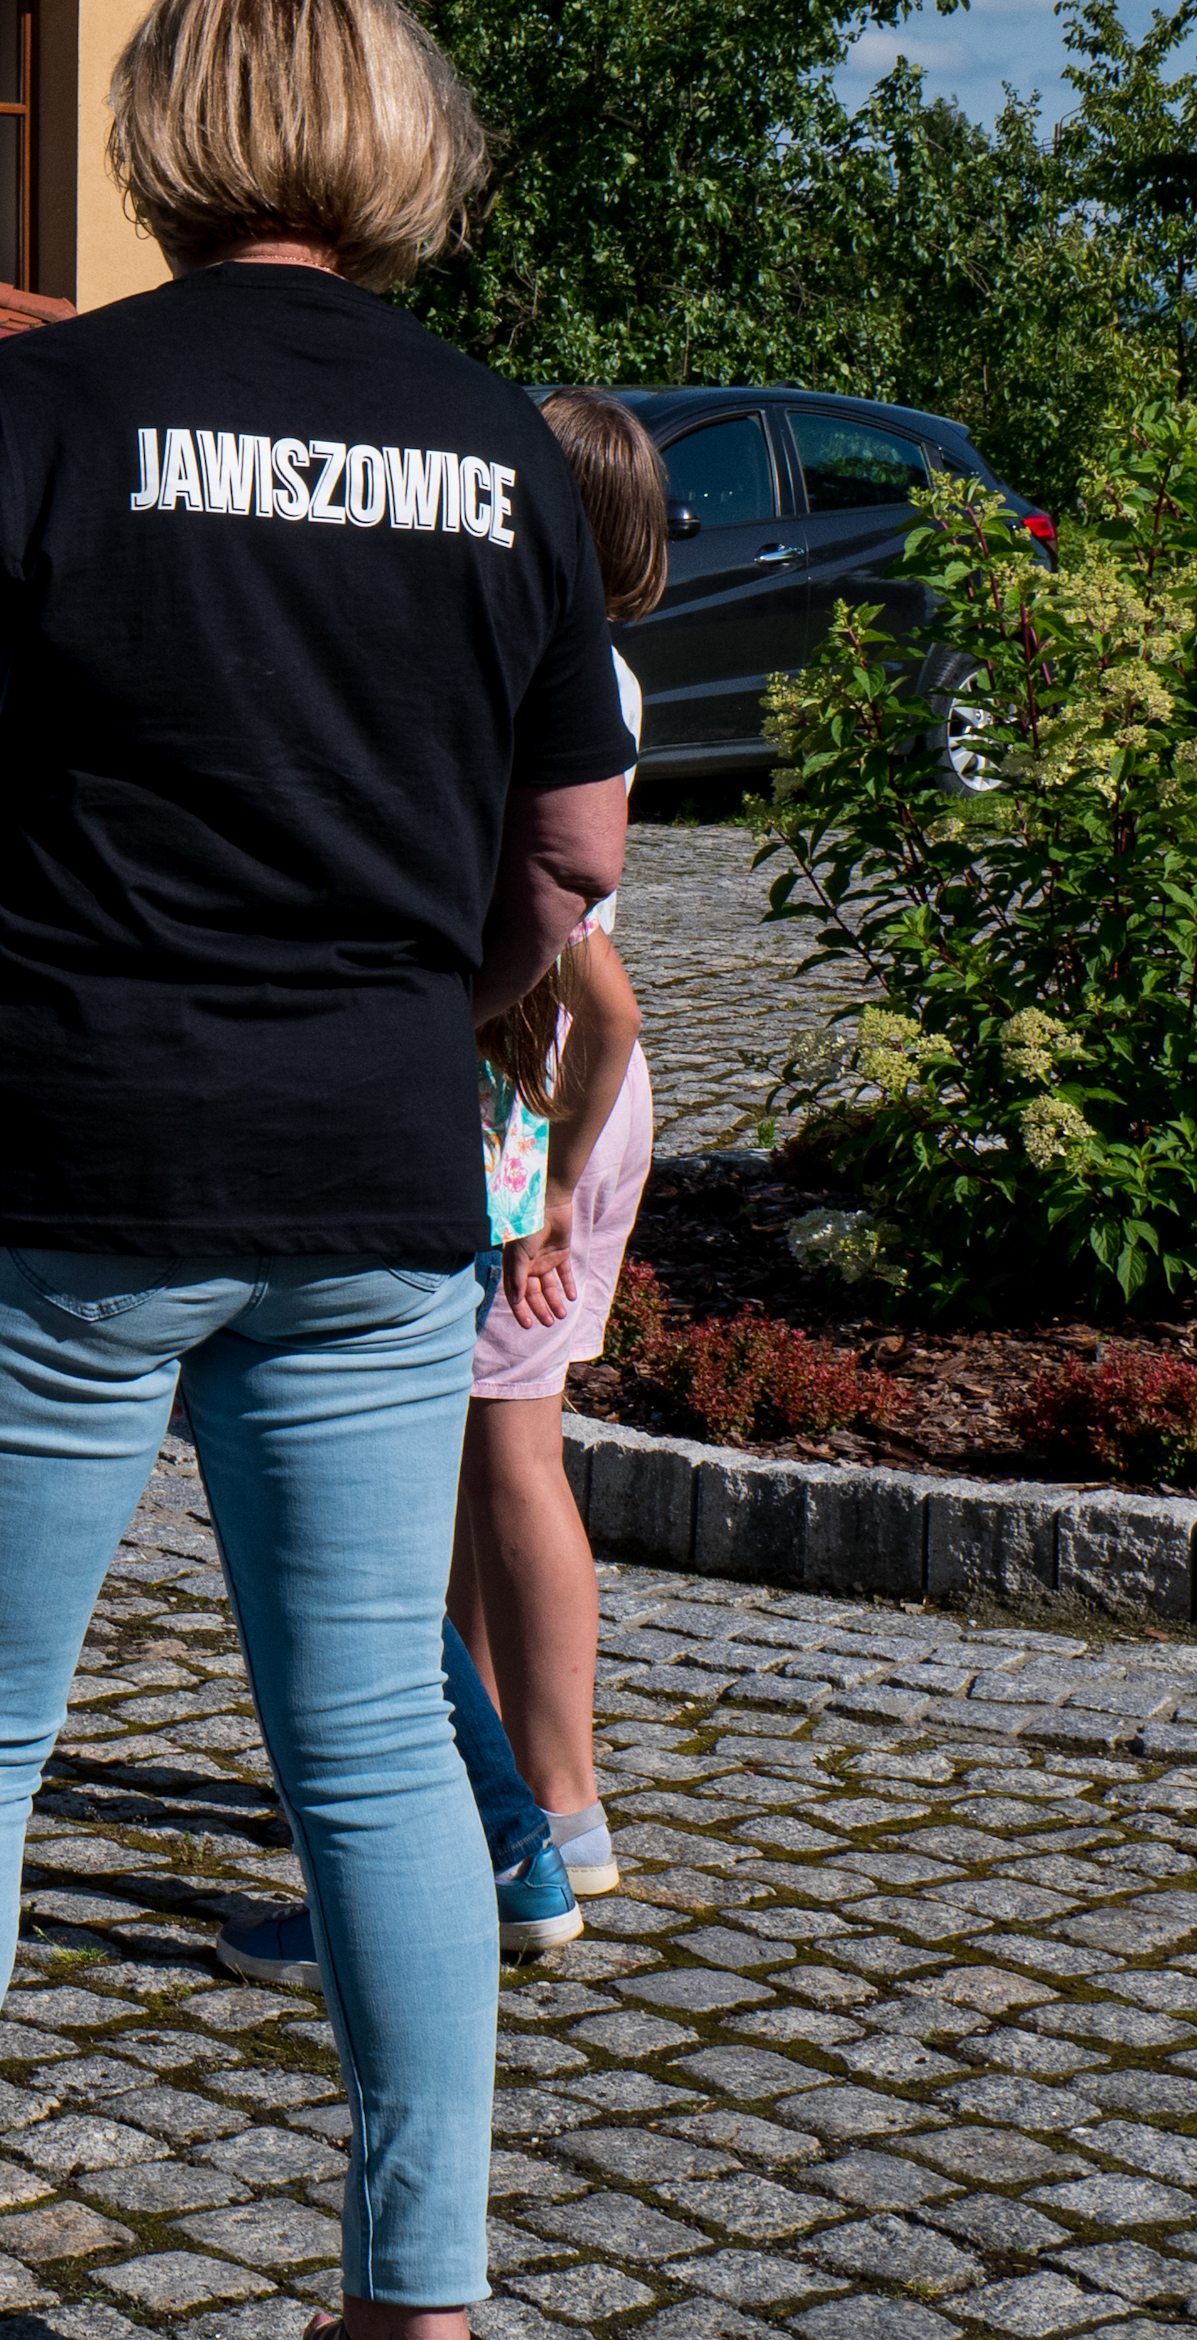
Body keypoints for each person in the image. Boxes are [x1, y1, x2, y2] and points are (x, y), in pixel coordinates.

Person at [0, 0, 633, 2340]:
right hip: (363, 1176)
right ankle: (410, 2296)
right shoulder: (498, 450)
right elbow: (572, 853)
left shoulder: (35, 411)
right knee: (359, 1737)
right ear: (385, 131)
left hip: (54, 1153)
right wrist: (393, 1010)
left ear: (157, 121)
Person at [454, 385, 667, 1893]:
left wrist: (547, 1195)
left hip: (544, 1106)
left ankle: (563, 1802)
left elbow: (603, 998)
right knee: (487, 1454)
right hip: (549, 1099)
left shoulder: (553, 677)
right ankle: (462, 1773)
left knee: (517, 1456)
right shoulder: (601, 668)